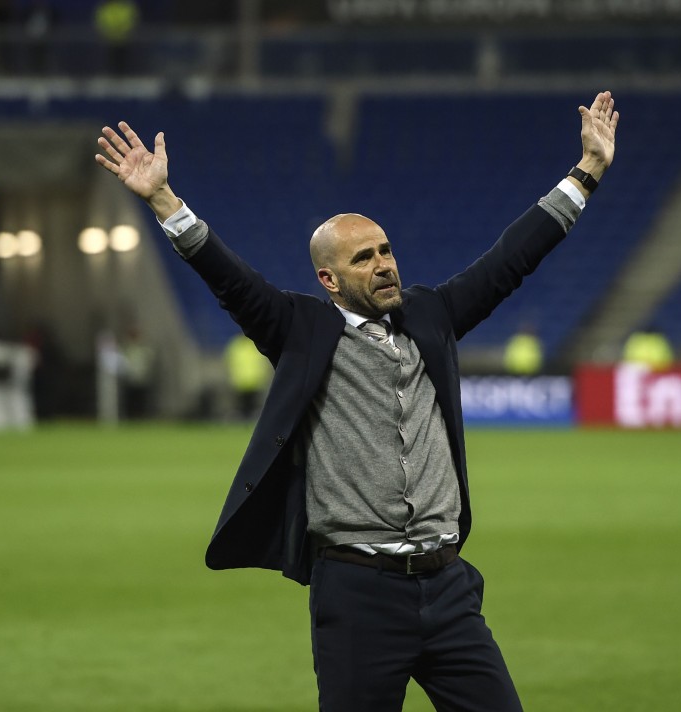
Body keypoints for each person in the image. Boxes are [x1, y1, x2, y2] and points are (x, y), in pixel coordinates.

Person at [95, 91, 619, 711]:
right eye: (363, 258)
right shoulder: (302, 329)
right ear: (329, 279)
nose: (383, 265)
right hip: (358, 593)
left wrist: (586, 172)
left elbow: (512, 259)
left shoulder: (432, 316)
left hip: (447, 585)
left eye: (386, 250)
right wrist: (163, 201)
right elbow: (230, 280)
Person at [224, 331, 272, 419]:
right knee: (241, 405)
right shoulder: (238, 345)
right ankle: (242, 421)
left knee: (252, 405)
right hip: (241, 381)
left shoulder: (251, 345)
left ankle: (250, 420)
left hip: (253, 380)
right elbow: (229, 362)